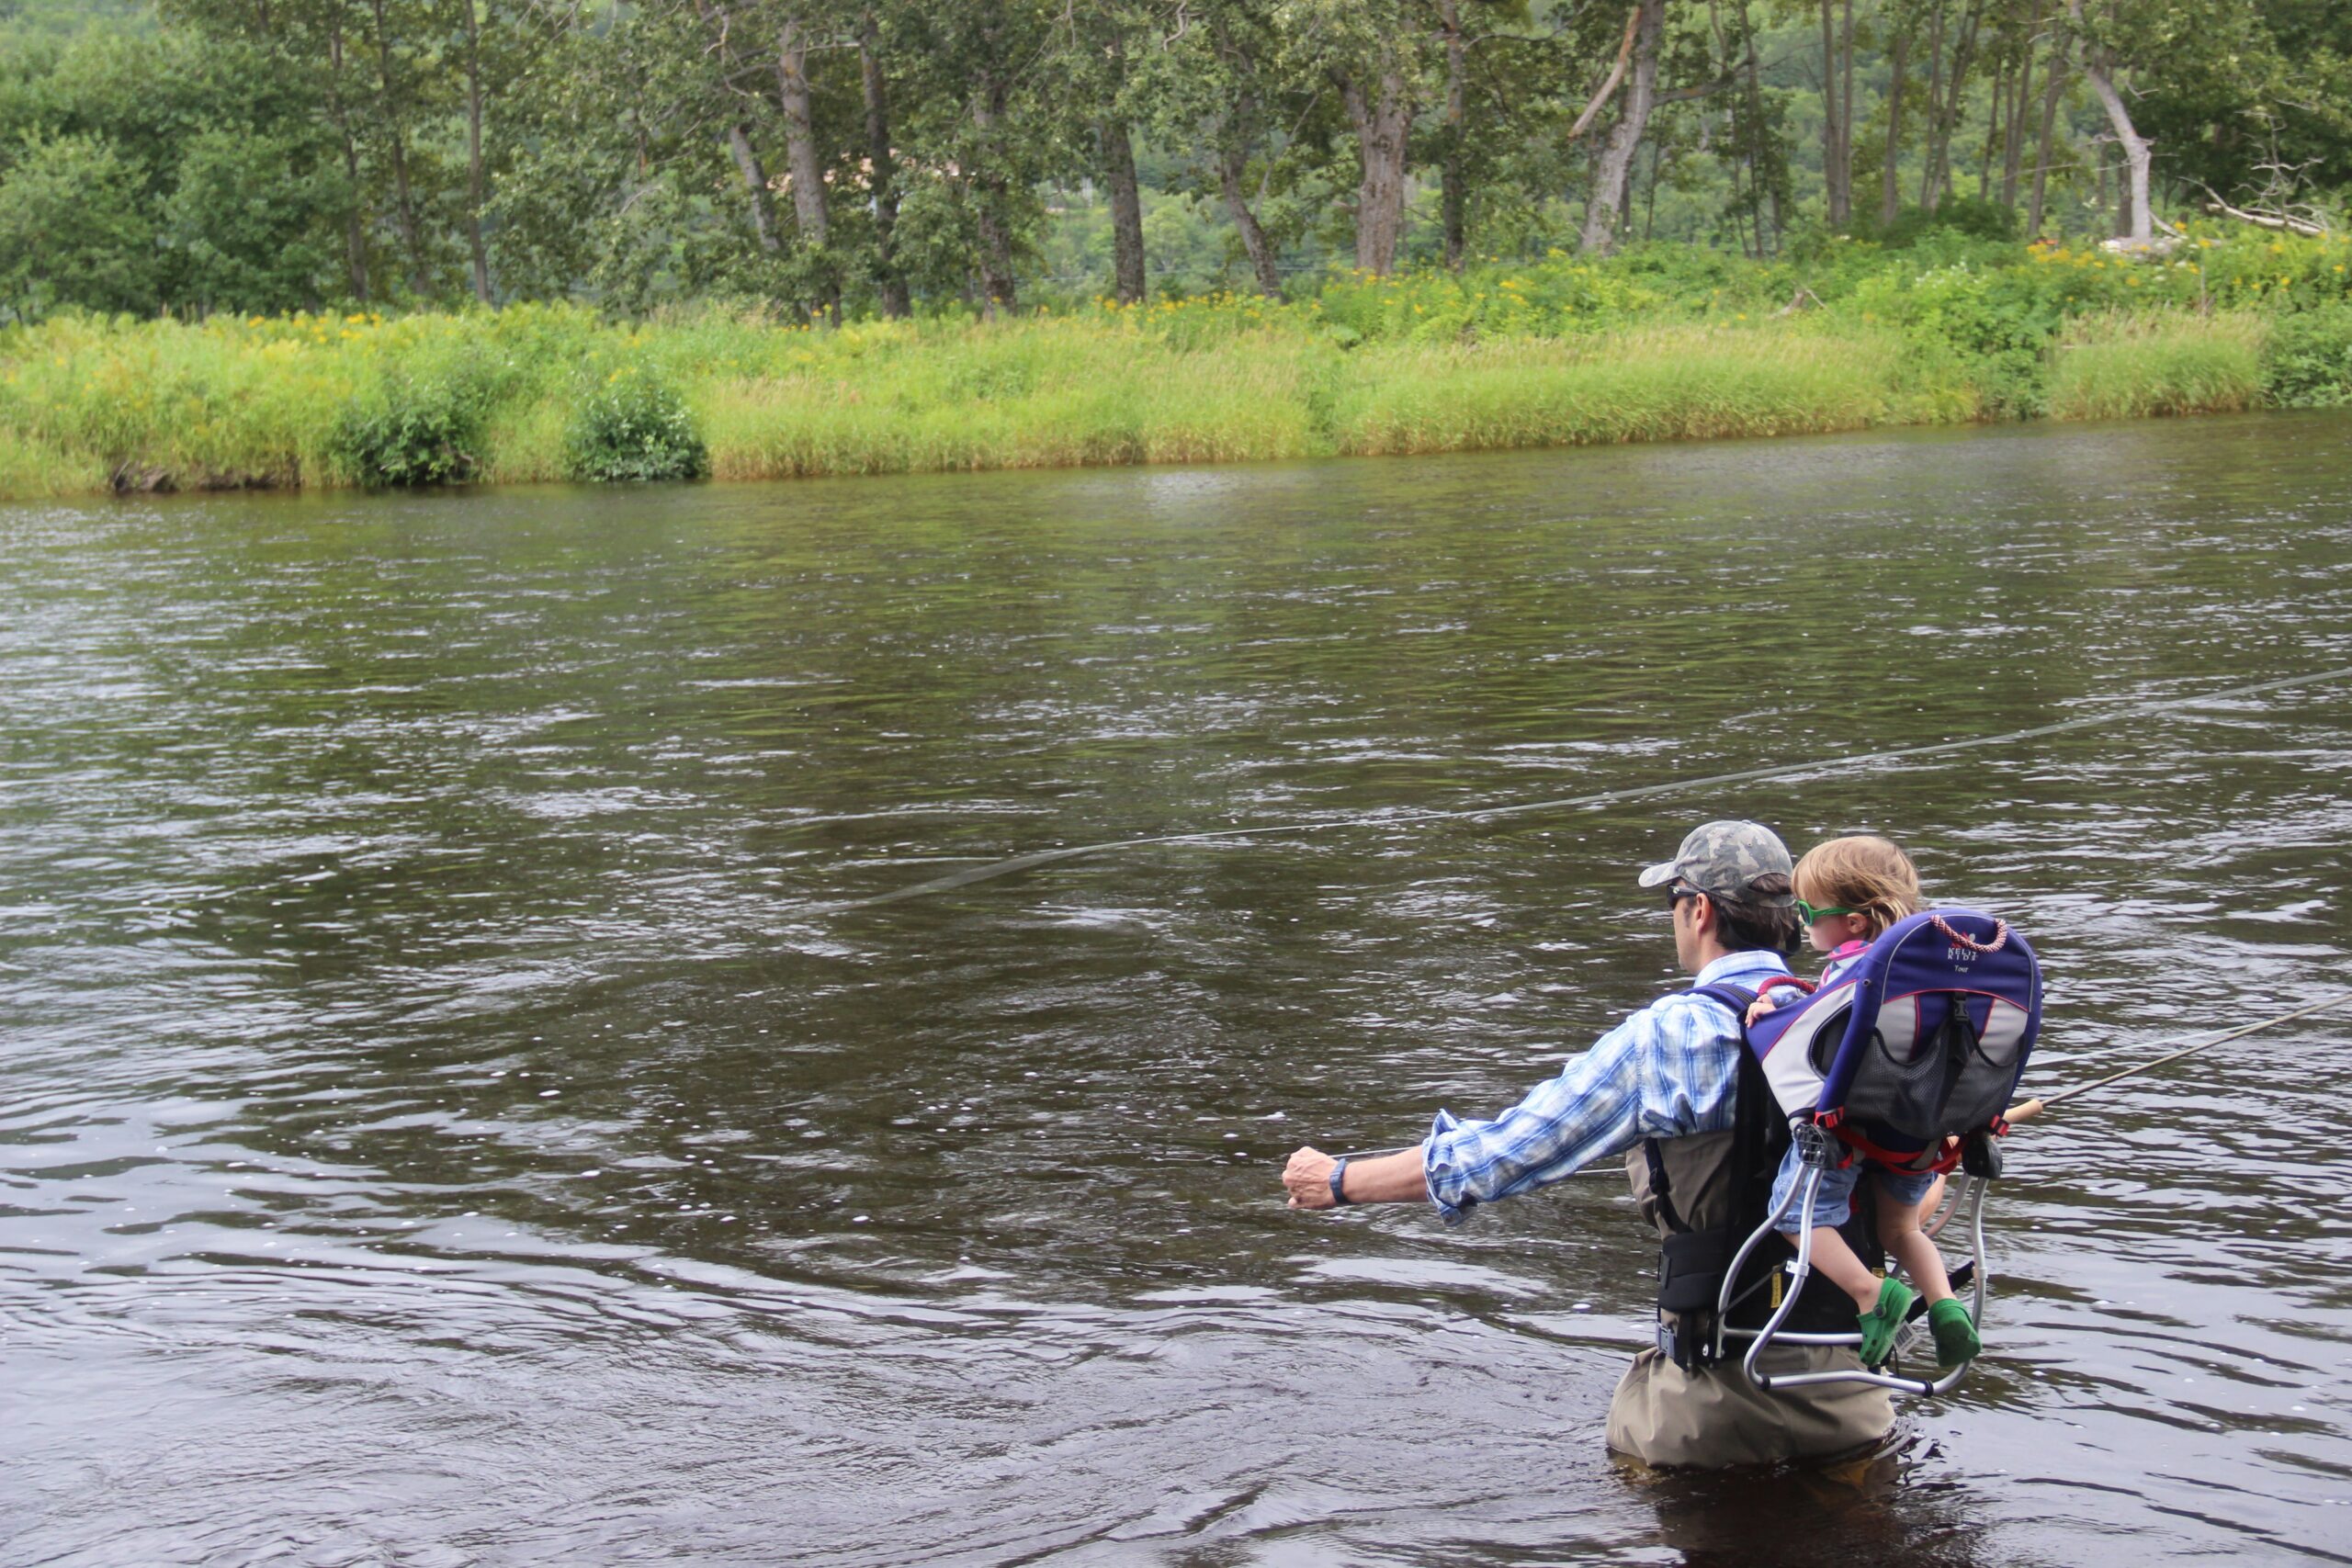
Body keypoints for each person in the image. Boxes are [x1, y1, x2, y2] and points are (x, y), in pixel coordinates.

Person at [1281, 820, 1894, 1468]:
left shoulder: (1670, 1035)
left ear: (1700, 909)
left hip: (1714, 1412)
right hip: (1856, 1402)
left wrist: (1342, 1180)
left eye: (1673, 903)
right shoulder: (1857, 1019)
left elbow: (1505, 1153)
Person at [1746, 834, 1981, 1370]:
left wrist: (1774, 1000)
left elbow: (1818, 1016)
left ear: (1853, 922)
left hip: (1855, 1131)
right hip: (1920, 1130)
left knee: (1795, 1217)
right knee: (1900, 1230)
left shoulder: (1858, 963)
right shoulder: (1939, 968)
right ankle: (1946, 1305)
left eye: (1807, 911)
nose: (1803, 923)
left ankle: (1870, 1295)